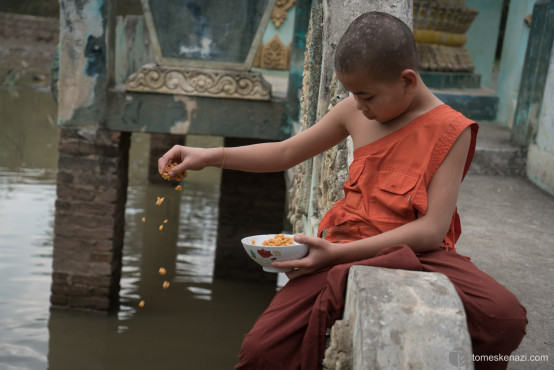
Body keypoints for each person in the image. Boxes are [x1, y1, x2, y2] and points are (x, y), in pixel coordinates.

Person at [158, 12, 527, 370]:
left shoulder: (452, 130)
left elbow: (431, 231)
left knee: (505, 316)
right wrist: (208, 155)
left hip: (413, 249)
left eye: (366, 96)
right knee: (261, 350)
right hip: (344, 241)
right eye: (354, 96)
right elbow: (287, 152)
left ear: (408, 81)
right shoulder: (354, 110)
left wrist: (337, 254)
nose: (359, 107)